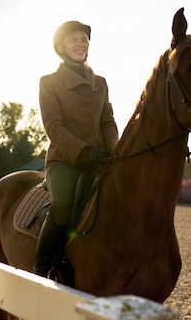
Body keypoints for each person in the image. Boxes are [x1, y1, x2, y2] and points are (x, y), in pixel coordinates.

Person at [34, 20, 119, 278]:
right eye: (74, 40)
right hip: (64, 161)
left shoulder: (101, 82)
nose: (80, 44)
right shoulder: (49, 82)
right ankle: (42, 267)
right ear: (61, 46)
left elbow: (108, 121)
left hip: (99, 159)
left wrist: (113, 150)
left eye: (84, 40)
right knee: (63, 205)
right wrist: (83, 151)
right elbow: (54, 126)